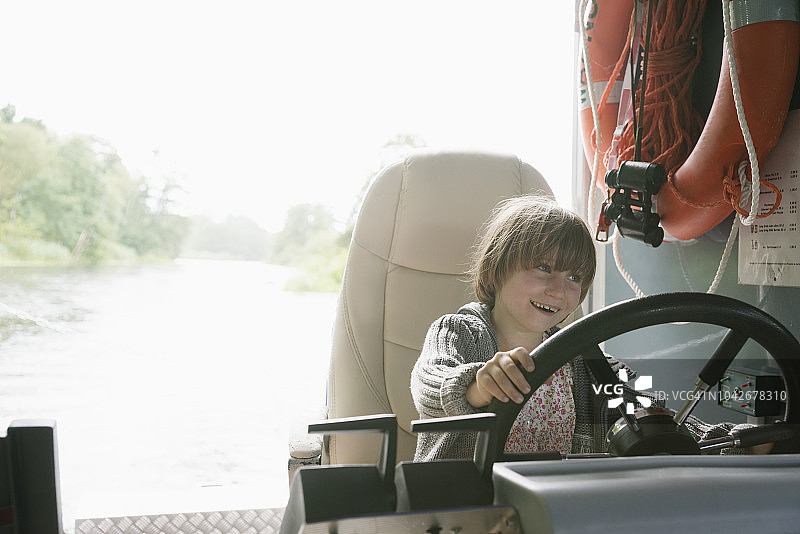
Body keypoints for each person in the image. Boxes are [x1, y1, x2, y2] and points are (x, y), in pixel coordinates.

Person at [410, 194, 756, 461]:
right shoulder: (459, 331)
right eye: (543, 267)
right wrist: (478, 384)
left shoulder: (584, 360)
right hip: (466, 504)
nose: (559, 290)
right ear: (498, 267)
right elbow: (432, 380)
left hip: (555, 506)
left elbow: (645, 414)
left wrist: (735, 441)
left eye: (574, 277)